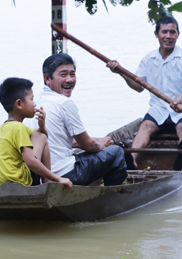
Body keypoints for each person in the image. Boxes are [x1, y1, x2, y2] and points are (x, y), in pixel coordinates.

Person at [107, 16, 182, 170]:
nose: (168, 36)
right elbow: (138, 87)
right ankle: (132, 160)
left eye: (173, 32)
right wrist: (120, 72)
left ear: (178, 35)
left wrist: (179, 99)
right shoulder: (149, 59)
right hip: (159, 109)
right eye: (164, 32)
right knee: (144, 127)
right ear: (156, 34)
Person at [28, 53, 127, 186]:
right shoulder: (63, 103)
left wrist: (94, 141)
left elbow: (58, 138)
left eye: (72, 74)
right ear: (47, 78)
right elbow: (88, 145)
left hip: (41, 176)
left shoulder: (36, 103)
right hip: (66, 174)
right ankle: (114, 196)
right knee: (116, 152)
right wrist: (101, 144)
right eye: (63, 75)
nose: (69, 80)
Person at [0, 77, 73, 190]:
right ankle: (47, 185)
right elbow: (30, 161)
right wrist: (57, 178)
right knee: (41, 137)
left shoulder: (6, 126)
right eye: (32, 99)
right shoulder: (19, 128)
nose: (34, 104)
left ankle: (46, 183)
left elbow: (39, 133)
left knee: (40, 135)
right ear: (19, 104)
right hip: (19, 182)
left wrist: (42, 125)